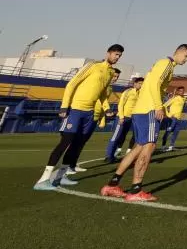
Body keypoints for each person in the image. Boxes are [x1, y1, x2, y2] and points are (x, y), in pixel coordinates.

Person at [100, 45, 187, 202]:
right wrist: (158, 107)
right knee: (149, 147)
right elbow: (153, 84)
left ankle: (112, 184)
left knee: (138, 148)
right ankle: (136, 190)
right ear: (178, 52)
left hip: (140, 110)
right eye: (186, 55)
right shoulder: (166, 64)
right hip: (149, 110)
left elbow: (152, 83)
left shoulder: (164, 65)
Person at [34, 45, 125, 190]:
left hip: (89, 114)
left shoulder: (110, 72)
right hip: (75, 110)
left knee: (76, 145)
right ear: (108, 53)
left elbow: (102, 93)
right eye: (115, 54)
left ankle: (60, 177)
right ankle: (43, 180)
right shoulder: (93, 66)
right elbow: (72, 83)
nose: (117, 57)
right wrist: (65, 106)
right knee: (65, 142)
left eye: (119, 55)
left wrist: (107, 110)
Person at [106, 76, 142, 162]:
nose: (141, 85)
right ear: (135, 83)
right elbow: (121, 104)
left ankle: (114, 155)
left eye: (142, 84)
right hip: (122, 117)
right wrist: (121, 117)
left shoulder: (141, 93)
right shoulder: (128, 91)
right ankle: (108, 156)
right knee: (115, 137)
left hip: (131, 118)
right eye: (140, 83)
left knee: (122, 136)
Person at [160, 86, 186, 151]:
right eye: (180, 91)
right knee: (168, 132)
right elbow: (164, 106)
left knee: (175, 133)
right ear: (177, 91)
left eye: (183, 91)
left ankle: (171, 146)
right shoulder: (174, 98)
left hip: (179, 119)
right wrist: (168, 115)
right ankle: (163, 146)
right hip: (172, 119)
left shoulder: (183, 99)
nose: (182, 92)